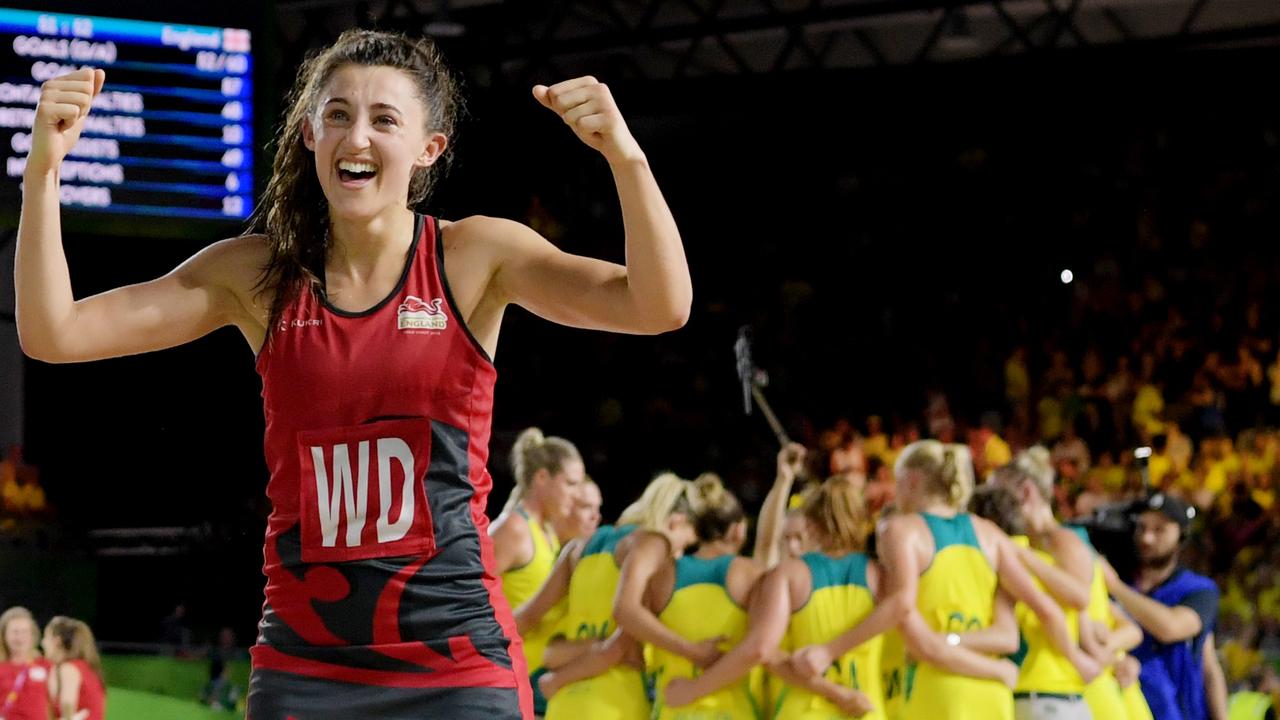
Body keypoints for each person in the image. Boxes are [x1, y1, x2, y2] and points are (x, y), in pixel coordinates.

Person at [15, 28, 690, 719]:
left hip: (457, 668)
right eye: (337, 114)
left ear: (430, 148)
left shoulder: (473, 256)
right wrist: (44, 170)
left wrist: (626, 157)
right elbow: (54, 332)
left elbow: (657, 304)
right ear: (310, 133)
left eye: (383, 119)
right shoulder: (256, 276)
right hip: (304, 669)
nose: (356, 136)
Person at [865, 441, 1100, 720]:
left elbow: (921, 641)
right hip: (992, 698)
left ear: (912, 479)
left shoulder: (902, 531)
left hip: (938, 693)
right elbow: (1044, 609)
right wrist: (1073, 657)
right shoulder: (989, 534)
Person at [665, 475, 909, 719]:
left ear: (810, 525)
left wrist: (693, 690)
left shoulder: (788, 575)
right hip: (866, 708)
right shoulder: (881, 576)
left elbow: (761, 650)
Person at [519, 473, 704, 720]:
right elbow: (617, 646)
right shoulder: (649, 550)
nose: (680, 556)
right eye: (685, 545)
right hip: (616, 702)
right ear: (676, 523)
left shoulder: (579, 547)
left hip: (564, 703)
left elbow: (528, 617)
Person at [990, 450, 1096, 720]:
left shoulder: (1063, 541)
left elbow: (1080, 598)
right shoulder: (1021, 543)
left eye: (1000, 496)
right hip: (1031, 688)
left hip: (1055, 692)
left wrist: (1025, 558)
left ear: (1026, 492)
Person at [1102, 492, 1225, 720]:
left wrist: (1115, 587)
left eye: (1160, 530)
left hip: (1179, 712)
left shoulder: (1198, 589)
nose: (1147, 538)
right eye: (1142, 528)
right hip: (1125, 708)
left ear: (1182, 535)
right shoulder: (1122, 580)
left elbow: (1172, 629)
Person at [490, 428, 584, 715]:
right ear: (542, 478)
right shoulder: (514, 529)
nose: (576, 495)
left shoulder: (548, 534)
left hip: (535, 681)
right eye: (570, 484)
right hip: (511, 685)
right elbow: (469, 604)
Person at [41, 617, 104, 720]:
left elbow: (68, 703)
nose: (43, 643)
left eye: (45, 637)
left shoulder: (68, 669)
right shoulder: (85, 667)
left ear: (57, 641)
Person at [0, 607, 51, 720]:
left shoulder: (46, 665)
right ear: (4, 635)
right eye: (15, 632)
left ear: (33, 635)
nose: (20, 637)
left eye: (25, 632)